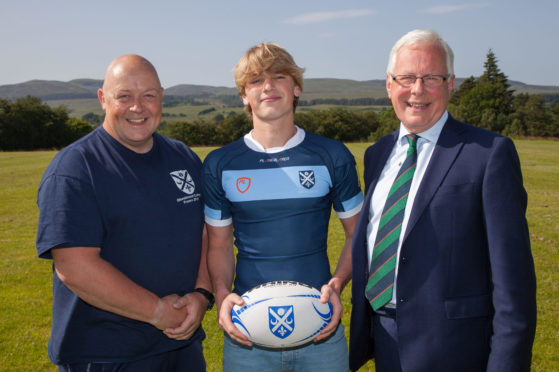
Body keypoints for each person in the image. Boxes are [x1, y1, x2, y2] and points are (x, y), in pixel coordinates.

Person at [349, 29, 537, 372]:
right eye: (406, 77)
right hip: (385, 342)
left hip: (456, 350)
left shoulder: (488, 154)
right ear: (389, 85)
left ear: (450, 84)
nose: (417, 89)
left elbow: (514, 284)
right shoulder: (377, 155)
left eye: (431, 77)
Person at [36, 54, 214, 371]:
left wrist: (201, 295)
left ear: (161, 98)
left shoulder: (182, 157)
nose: (137, 107)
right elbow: (75, 268)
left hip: (181, 347)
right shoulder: (75, 169)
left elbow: (204, 234)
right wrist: (157, 312)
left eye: (148, 95)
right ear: (103, 99)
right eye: (124, 96)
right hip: (106, 355)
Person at [203, 43, 363, 371]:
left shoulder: (332, 156)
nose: (268, 86)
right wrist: (221, 294)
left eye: (279, 76)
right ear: (244, 96)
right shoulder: (221, 163)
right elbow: (218, 244)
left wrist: (337, 284)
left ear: (296, 88)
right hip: (248, 332)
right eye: (255, 80)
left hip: (320, 327)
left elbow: (356, 234)